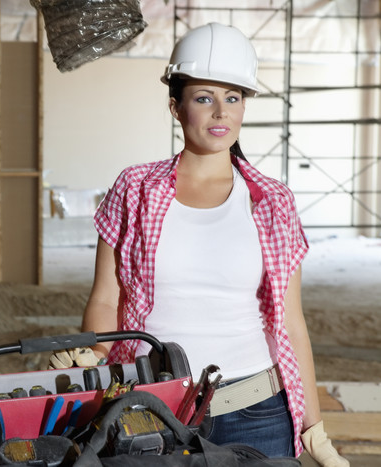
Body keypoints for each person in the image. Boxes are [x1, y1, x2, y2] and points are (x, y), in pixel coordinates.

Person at [48, 23, 348, 466]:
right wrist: (94, 355)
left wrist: (313, 425)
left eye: (234, 97)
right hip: (154, 410)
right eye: (204, 98)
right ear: (176, 106)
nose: (220, 113)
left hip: (258, 414)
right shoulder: (134, 189)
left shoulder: (273, 202)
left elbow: (290, 322)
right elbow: (106, 298)